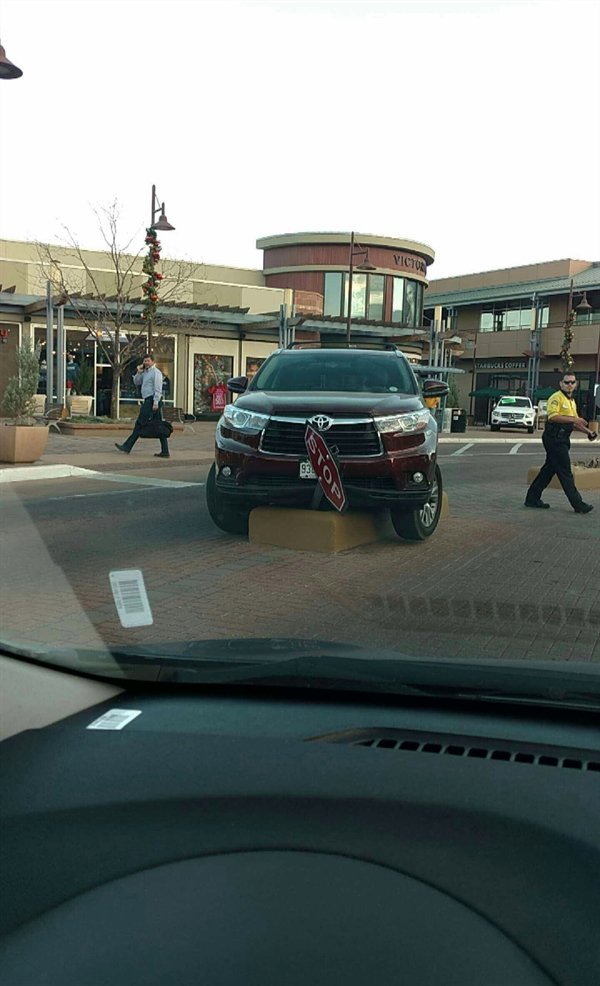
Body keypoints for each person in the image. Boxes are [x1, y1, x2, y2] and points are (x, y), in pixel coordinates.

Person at [525, 371, 596, 513]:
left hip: (562, 439)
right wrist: (575, 419)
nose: (569, 385)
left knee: (548, 470)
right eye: (567, 382)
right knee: (565, 472)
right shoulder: (556, 397)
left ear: (576, 384)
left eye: (572, 382)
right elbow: (553, 417)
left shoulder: (571, 401)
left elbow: (574, 423)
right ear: (561, 384)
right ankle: (578, 504)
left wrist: (588, 432)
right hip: (554, 438)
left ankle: (532, 498)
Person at [115, 355, 170, 458]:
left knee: (140, 423)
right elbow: (136, 382)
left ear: (153, 362)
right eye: (145, 361)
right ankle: (165, 451)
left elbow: (158, 388)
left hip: (152, 400)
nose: (146, 363)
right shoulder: (145, 372)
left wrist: (155, 402)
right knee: (159, 425)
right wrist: (138, 372)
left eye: (148, 361)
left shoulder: (156, 373)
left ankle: (127, 446)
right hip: (148, 400)